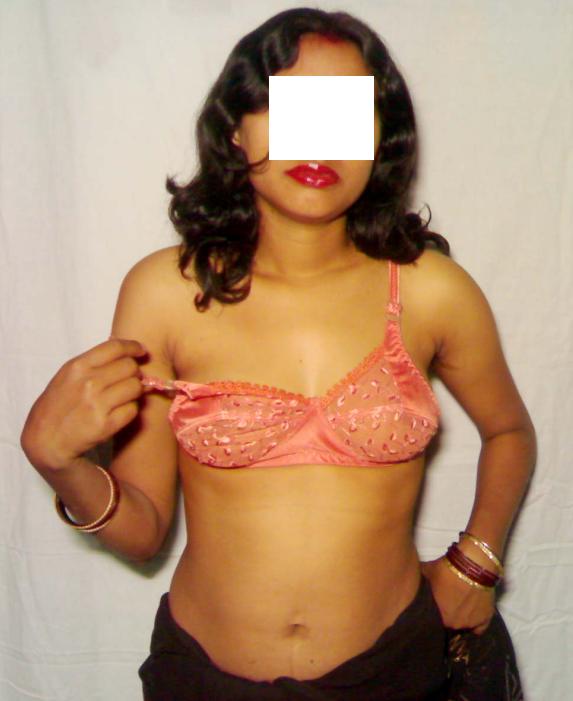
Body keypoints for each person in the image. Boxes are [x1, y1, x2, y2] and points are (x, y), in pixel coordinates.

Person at [20, 7, 536, 701]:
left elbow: (508, 431)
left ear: (378, 139)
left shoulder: (431, 291)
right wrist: (59, 464)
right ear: (234, 129)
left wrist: (476, 562)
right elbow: (143, 531)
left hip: (394, 673)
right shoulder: (165, 293)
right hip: (203, 679)